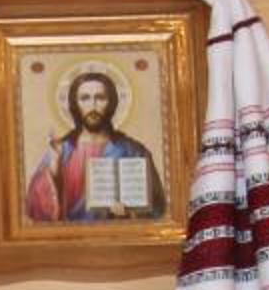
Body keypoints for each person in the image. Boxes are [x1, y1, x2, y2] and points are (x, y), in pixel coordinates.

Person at [24, 68, 167, 223]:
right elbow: (34, 209)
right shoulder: (61, 150)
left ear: (111, 103)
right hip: (69, 236)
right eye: (85, 98)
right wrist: (53, 171)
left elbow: (158, 207)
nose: (92, 106)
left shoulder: (133, 151)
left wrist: (131, 212)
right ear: (75, 104)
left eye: (100, 98)